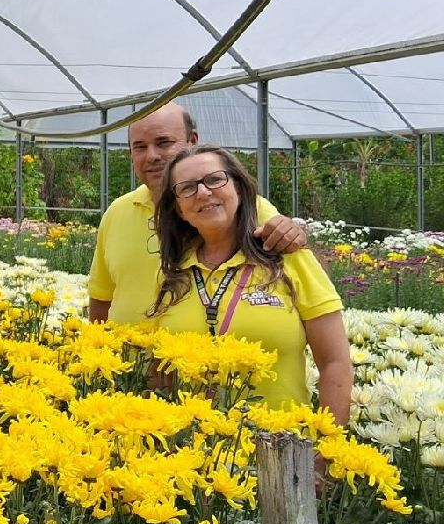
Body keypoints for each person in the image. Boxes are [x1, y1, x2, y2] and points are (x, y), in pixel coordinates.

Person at [149, 144, 352, 426]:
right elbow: (161, 376)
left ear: (240, 189)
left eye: (214, 179)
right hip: (192, 454)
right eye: (187, 188)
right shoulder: (174, 274)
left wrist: (330, 451)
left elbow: (335, 363)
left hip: (279, 449)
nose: (204, 192)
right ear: (179, 209)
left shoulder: (289, 259)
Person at [88, 102, 306, 324]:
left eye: (164, 142)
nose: (152, 156)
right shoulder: (117, 212)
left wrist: (293, 236)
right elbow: (101, 296)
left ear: (192, 141)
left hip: (204, 355)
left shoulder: (242, 209)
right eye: (140, 147)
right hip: (126, 357)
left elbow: (306, 279)